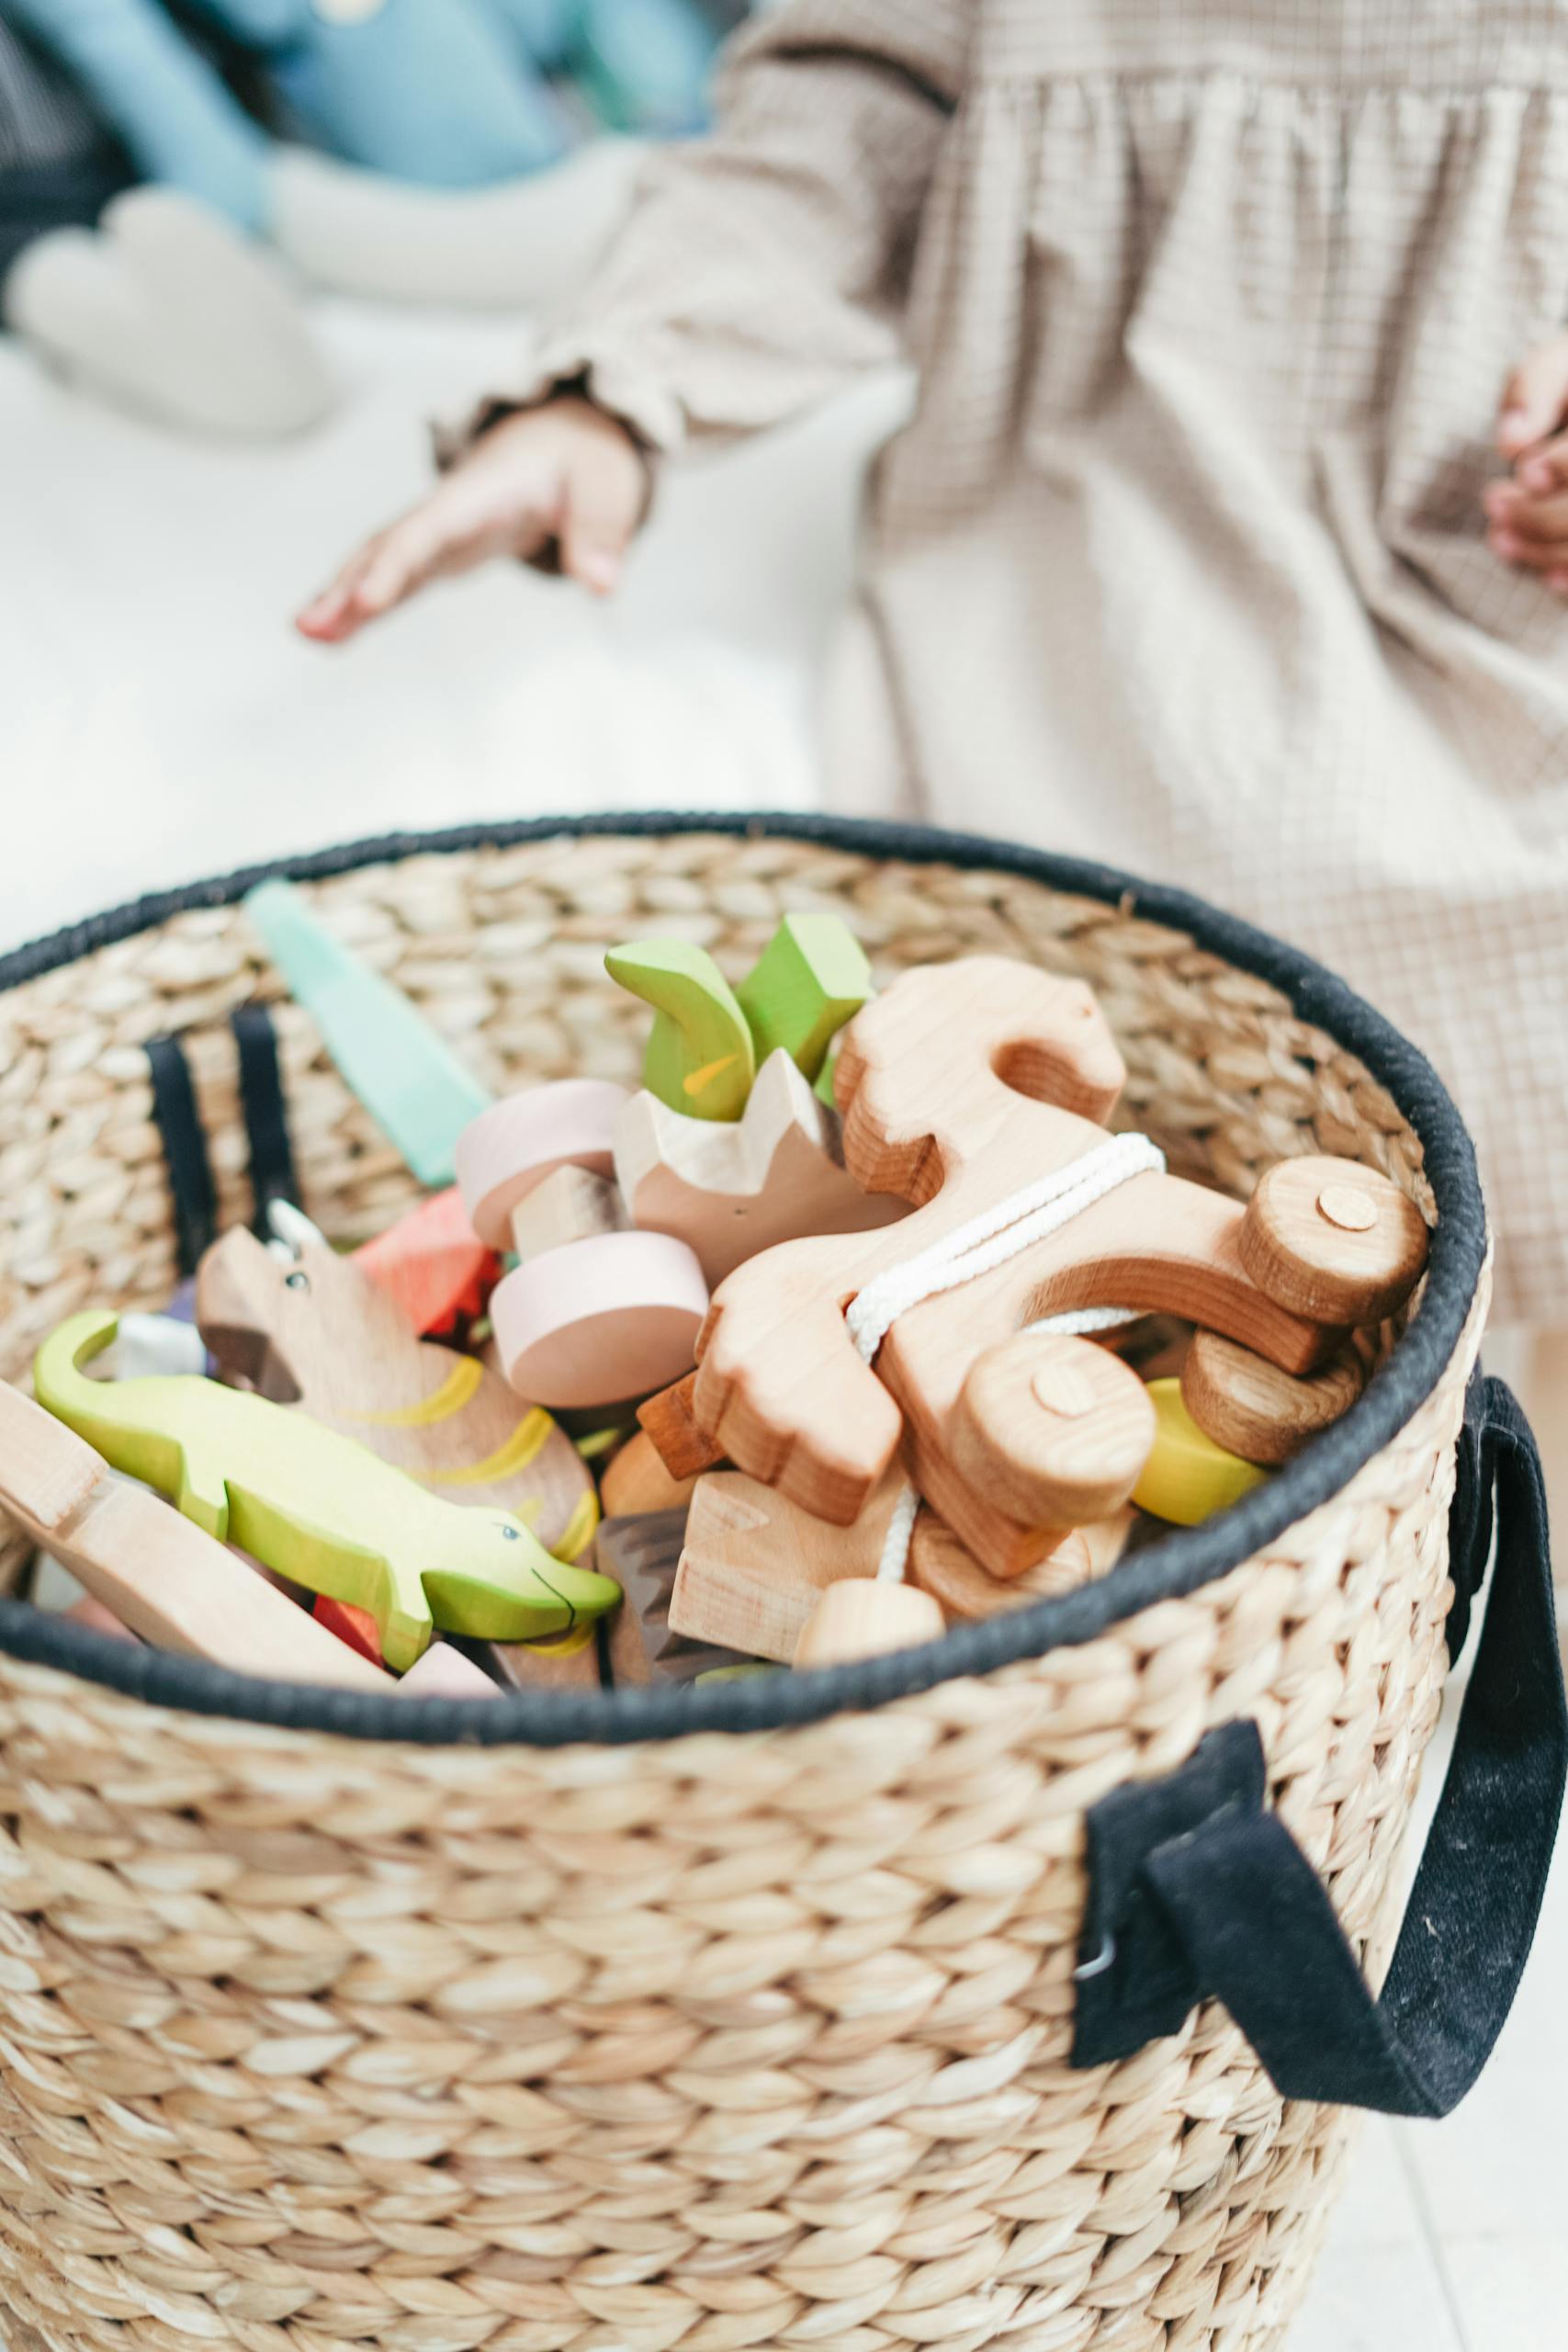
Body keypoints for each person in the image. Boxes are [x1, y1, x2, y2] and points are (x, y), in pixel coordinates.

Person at [298, 1, 1568, 1382]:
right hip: (1103, 517)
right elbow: (837, 128)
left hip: (1493, 541)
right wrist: (611, 395)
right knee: (1118, 920)